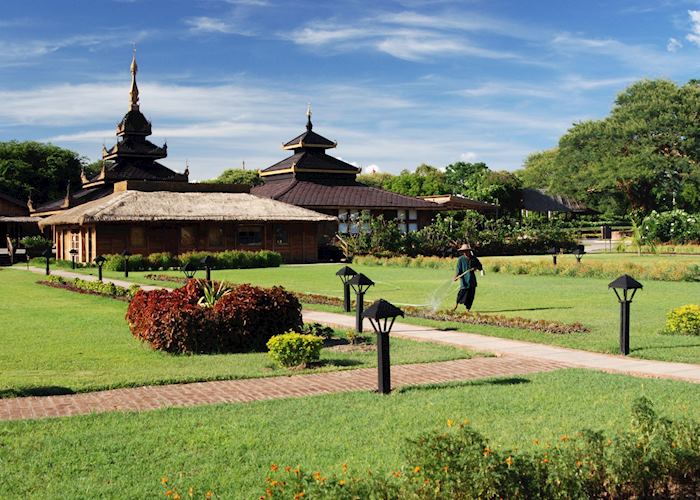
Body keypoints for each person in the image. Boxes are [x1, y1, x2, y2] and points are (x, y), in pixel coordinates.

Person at [452, 243, 483, 312]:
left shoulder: (474, 258)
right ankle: (455, 306)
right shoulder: (461, 259)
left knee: (470, 296)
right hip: (464, 281)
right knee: (461, 294)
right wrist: (456, 276)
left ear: (469, 250)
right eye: (464, 251)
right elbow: (458, 269)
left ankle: (468, 309)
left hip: (472, 281)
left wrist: (475, 268)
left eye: (466, 251)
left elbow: (480, 266)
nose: (465, 252)